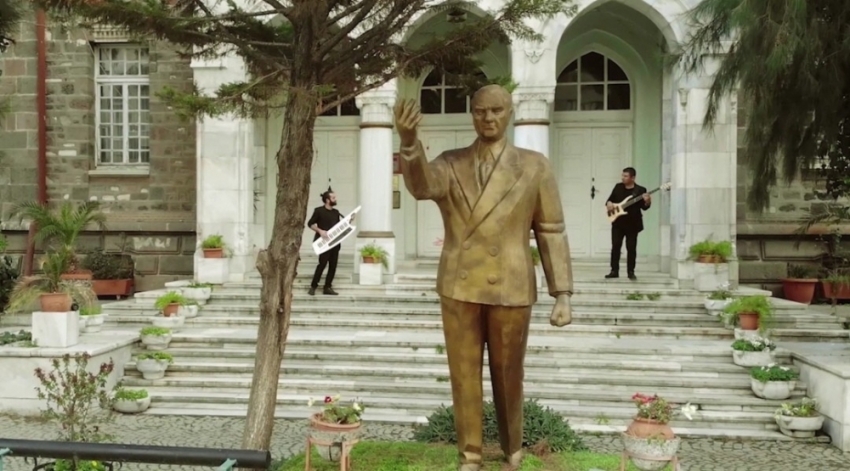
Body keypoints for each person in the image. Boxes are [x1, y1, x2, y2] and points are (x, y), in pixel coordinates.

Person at [394, 85, 574, 471]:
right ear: (471, 114)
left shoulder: (534, 165)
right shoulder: (451, 162)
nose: (488, 118)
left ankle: (512, 449)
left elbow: (551, 229)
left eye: (496, 111)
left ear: (509, 113)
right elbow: (422, 185)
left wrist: (562, 293)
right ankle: (470, 455)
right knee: (463, 375)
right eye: (480, 111)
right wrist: (409, 142)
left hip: (510, 284)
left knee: (509, 374)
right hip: (459, 285)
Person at [604, 167, 651, 280]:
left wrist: (648, 201)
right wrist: (609, 203)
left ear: (633, 178)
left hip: (633, 224)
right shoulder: (618, 187)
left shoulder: (640, 190)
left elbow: (644, 208)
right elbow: (609, 200)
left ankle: (631, 272)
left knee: (631, 248)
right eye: (622, 176)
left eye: (625, 176)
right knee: (616, 246)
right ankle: (614, 271)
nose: (623, 178)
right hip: (618, 223)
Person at [306, 188, 344, 295]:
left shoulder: (336, 212)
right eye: (333, 197)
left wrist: (348, 221)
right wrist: (320, 231)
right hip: (323, 243)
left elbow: (339, 227)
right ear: (327, 200)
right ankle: (313, 286)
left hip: (335, 243)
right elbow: (310, 224)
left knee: (333, 265)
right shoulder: (318, 211)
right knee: (322, 264)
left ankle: (327, 287)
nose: (335, 199)